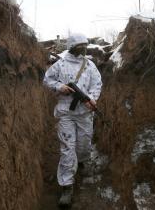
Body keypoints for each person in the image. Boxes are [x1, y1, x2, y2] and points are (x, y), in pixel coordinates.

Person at [43, 33, 102, 207]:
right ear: (72, 47)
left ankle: (82, 160)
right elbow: (47, 79)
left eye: (85, 45)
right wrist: (59, 87)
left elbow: (97, 83)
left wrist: (91, 98)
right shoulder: (60, 65)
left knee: (83, 144)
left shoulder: (90, 65)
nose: (83, 49)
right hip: (65, 113)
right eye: (80, 46)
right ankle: (67, 185)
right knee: (68, 148)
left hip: (85, 113)